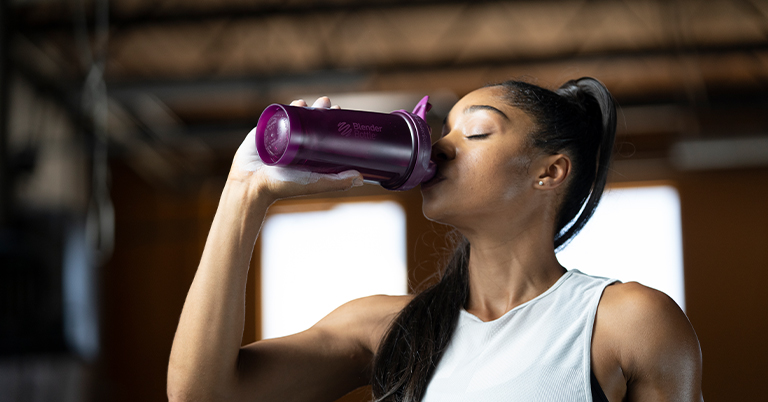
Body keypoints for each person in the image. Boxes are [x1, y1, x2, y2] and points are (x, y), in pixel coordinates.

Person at [167, 77, 704, 402]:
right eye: (443, 130)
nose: (441, 148)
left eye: (474, 132)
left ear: (550, 172)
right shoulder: (384, 330)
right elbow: (201, 395)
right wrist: (244, 191)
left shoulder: (626, 322)